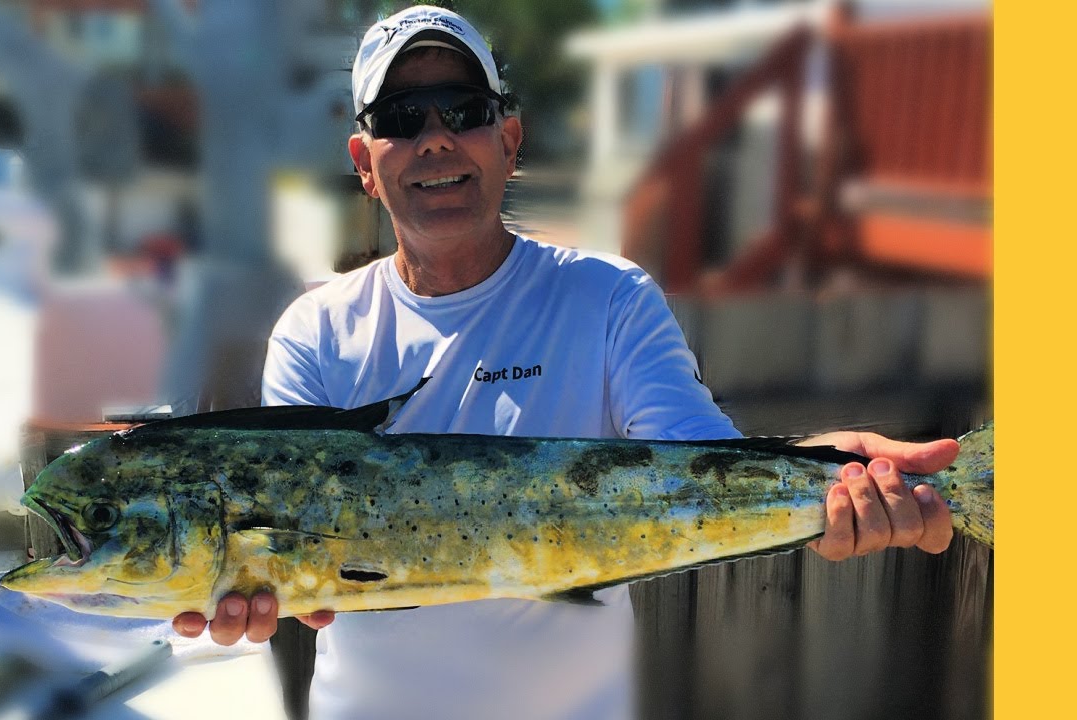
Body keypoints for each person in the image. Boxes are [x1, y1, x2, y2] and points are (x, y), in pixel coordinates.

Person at [173, 6, 958, 719]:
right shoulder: (314, 331)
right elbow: (281, 546)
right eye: (402, 118)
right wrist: (251, 592)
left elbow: (705, 467)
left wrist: (826, 482)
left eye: (466, 111)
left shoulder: (607, 298)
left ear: (508, 140)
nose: (436, 137)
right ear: (364, 164)